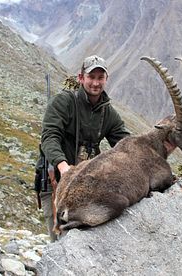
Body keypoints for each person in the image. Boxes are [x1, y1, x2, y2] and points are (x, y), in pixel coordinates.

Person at [39, 55, 130, 241]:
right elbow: (49, 137)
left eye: (100, 77)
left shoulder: (108, 113)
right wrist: (63, 168)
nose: (96, 83)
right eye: (91, 77)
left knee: (85, 240)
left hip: (87, 186)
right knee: (60, 239)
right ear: (81, 78)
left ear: (106, 79)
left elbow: (126, 144)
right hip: (56, 180)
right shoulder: (64, 102)